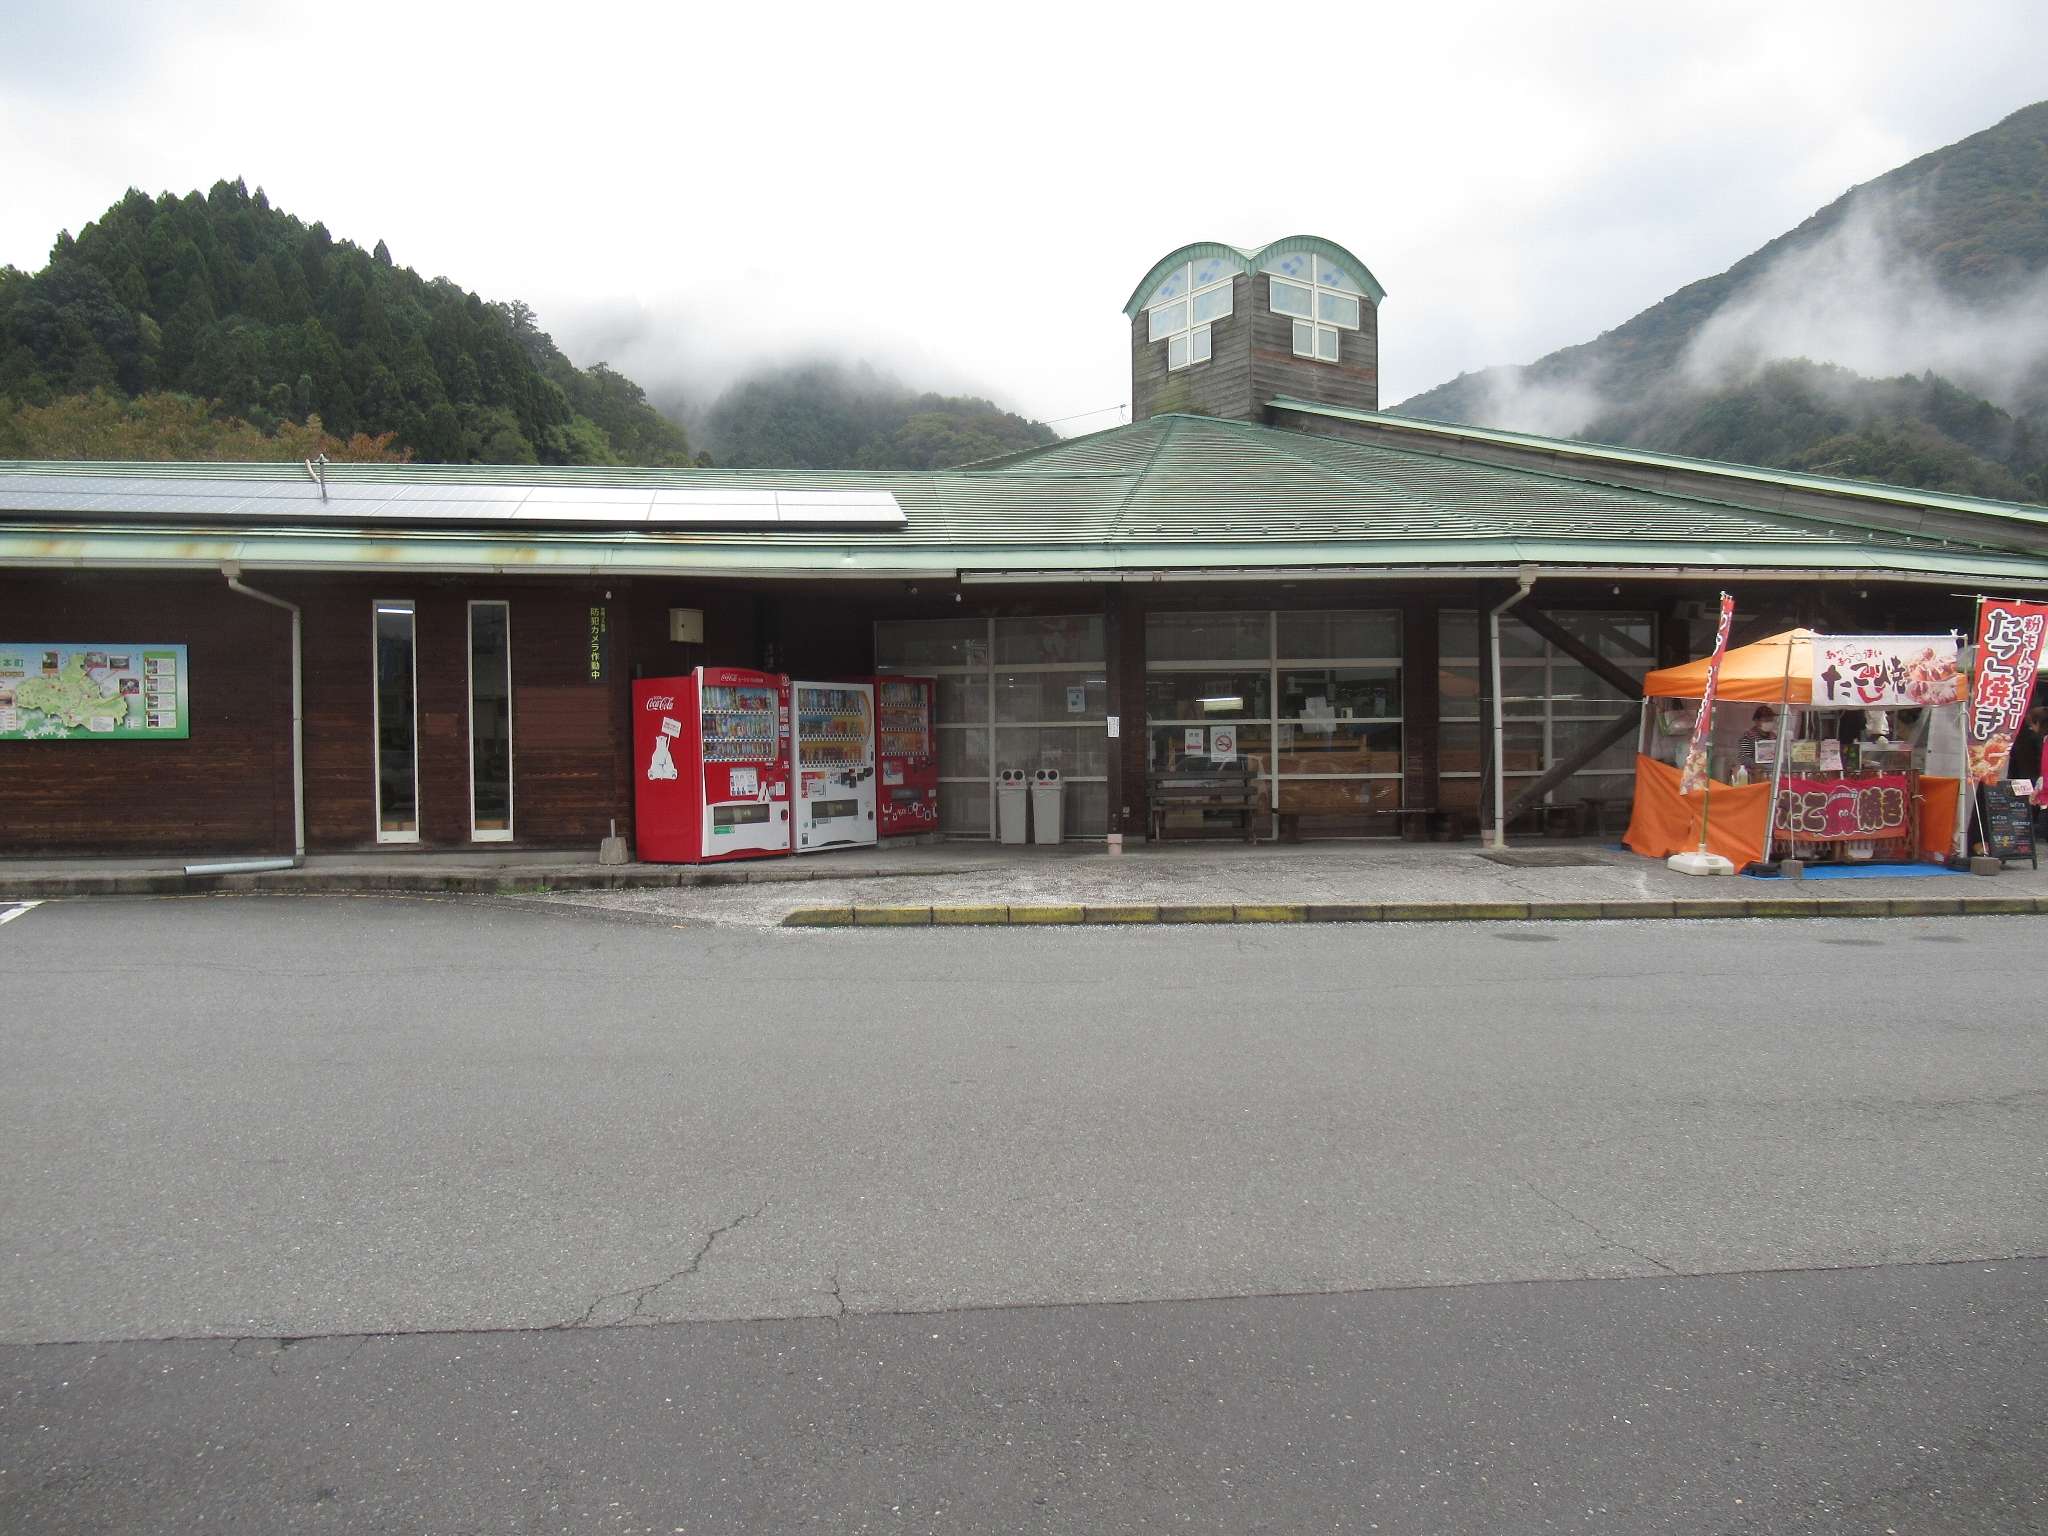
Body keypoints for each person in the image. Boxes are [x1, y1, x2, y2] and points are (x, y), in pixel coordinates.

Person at [1738, 706, 1778, 775]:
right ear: (1756, 721)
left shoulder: (1774, 736)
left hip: (1772, 774)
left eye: (1771, 720)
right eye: (1766, 720)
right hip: (1755, 774)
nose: (1769, 723)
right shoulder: (1748, 736)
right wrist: (1757, 765)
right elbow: (1744, 758)